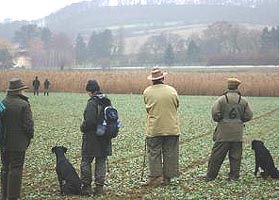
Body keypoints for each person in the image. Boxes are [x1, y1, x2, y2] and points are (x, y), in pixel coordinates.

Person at [205, 77, 253, 181]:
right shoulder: (243, 100)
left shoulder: (221, 99)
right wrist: (239, 120)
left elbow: (215, 114)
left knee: (216, 156)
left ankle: (210, 176)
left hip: (223, 133)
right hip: (237, 134)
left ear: (228, 86)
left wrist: (222, 120)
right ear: (237, 86)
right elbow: (249, 115)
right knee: (236, 157)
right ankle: (234, 177)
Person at [143, 68, 181, 186]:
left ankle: (156, 177)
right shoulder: (172, 90)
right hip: (171, 128)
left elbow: (148, 108)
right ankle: (168, 178)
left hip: (155, 128)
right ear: (163, 78)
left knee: (154, 153)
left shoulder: (147, 92)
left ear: (152, 80)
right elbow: (177, 105)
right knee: (170, 153)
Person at [1, 78, 34, 200]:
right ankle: (13, 197)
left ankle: (4, 196)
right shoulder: (24, 105)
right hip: (18, 144)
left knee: (5, 168)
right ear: (19, 91)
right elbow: (28, 126)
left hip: (4, 143)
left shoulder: (3, 103)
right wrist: (28, 138)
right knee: (16, 169)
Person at [80, 79, 113, 196]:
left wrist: (82, 127)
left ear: (90, 91)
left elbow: (89, 122)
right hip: (104, 137)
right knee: (101, 162)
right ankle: (99, 188)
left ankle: (86, 187)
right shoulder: (107, 101)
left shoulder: (92, 103)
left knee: (86, 161)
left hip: (91, 138)